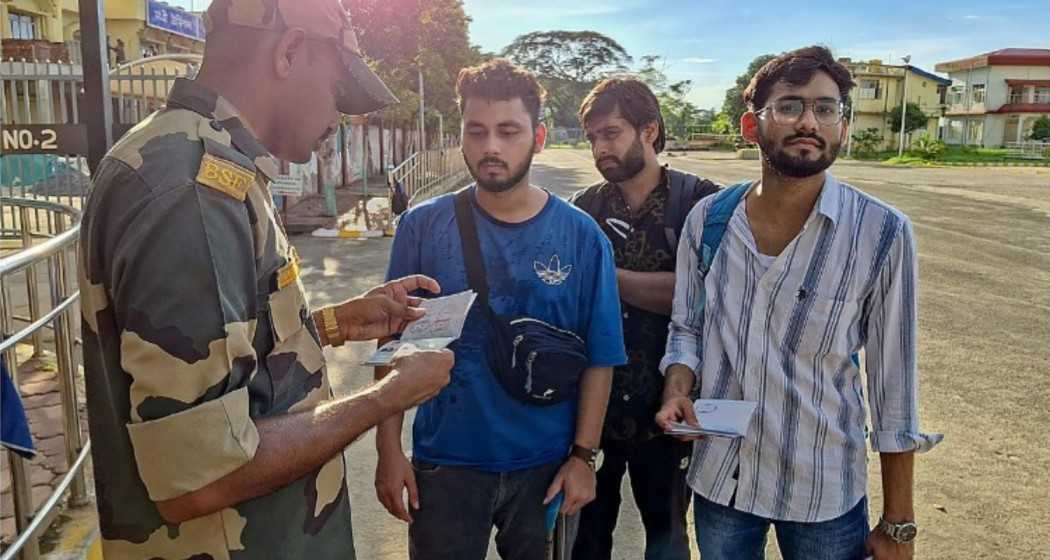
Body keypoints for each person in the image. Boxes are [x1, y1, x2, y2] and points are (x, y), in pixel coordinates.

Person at [77, 1, 453, 558]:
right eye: (335, 90)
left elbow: (221, 354)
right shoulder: (193, 191)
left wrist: (329, 324)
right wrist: (388, 396)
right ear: (290, 51)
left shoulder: (202, 159)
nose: (339, 118)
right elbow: (198, 473)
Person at [655, 45, 942, 560]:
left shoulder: (881, 234)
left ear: (842, 128)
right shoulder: (708, 221)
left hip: (823, 490)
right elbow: (686, 328)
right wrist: (678, 385)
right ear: (751, 126)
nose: (809, 121)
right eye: (789, 106)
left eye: (826, 108)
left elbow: (894, 384)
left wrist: (899, 522)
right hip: (723, 481)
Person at [373, 59, 627, 560]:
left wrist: (583, 457)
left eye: (508, 131)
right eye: (477, 131)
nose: (491, 147)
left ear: (539, 136)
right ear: (462, 137)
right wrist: (388, 448)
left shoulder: (581, 237)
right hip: (444, 462)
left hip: (545, 466)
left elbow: (602, 355)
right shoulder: (422, 228)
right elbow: (392, 343)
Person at [569, 78, 719, 560]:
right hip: (593, 410)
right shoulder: (584, 208)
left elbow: (708, 297)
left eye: (611, 133)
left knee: (668, 537)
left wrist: (607, 280)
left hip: (668, 410)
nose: (600, 148)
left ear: (649, 130)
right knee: (584, 539)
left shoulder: (700, 204)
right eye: (593, 137)